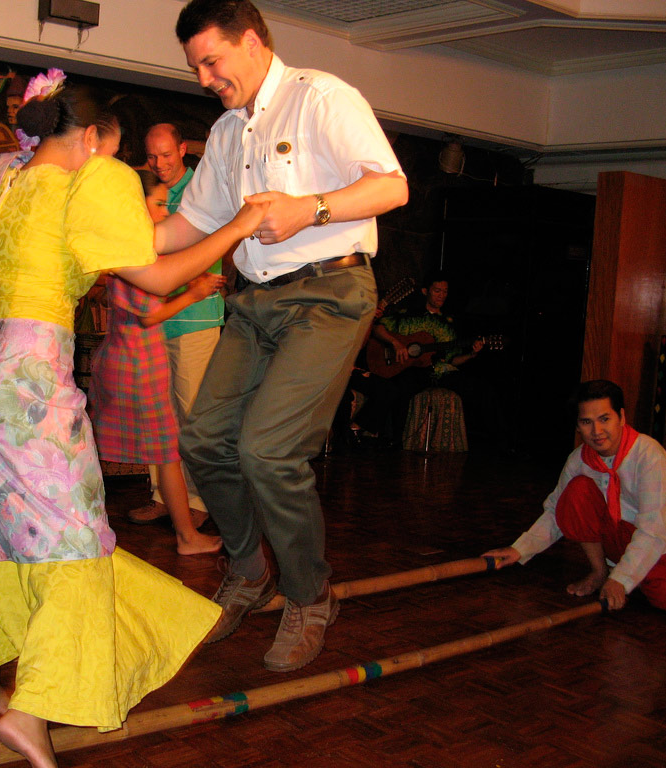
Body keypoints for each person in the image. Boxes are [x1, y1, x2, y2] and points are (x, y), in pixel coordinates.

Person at [0, 71, 266, 768]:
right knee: (74, 544)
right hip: (28, 381)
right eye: (116, 147)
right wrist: (241, 226)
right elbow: (155, 276)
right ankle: (32, 710)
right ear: (95, 138)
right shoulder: (94, 177)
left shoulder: (1, 179)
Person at [154, 0, 409, 672]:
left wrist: (310, 209)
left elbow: (392, 188)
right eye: (195, 67)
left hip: (329, 294)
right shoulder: (226, 133)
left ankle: (309, 594)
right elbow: (188, 226)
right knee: (201, 438)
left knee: (267, 451)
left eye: (211, 61)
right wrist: (109, 238)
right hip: (255, 302)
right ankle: (248, 571)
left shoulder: (320, 97)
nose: (204, 78)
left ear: (252, 41)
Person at [89, 169, 223, 555]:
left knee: (152, 450)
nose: (166, 212)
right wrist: (194, 293)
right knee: (166, 451)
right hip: (136, 362)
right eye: (160, 203)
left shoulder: (130, 246)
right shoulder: (132, 248)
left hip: (134, 358)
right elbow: (148, 316)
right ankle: (187, 536)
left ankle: (179, 534)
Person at [484, 380, 666, 613]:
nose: (596, 431)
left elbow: (654, 529)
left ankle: (627, 577)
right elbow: (555, 511)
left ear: (621, 417)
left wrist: (621, 579)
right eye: (586, 422)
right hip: (616, 541)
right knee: (577, 490)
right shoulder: (578, 459)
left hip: (661, 544)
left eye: (604, 419)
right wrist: (519, 549)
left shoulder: (650, 456)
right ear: (578, 426)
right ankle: (601, 572)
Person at [128, 123, 225, 527]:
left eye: (167, 155)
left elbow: (206, 246)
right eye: (152, 156)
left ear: (183, 149)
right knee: (158, 414)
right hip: (154, 319)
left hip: (194, 318)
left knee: (191, 415)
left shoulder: (202, 189)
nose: (159, 163)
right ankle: (164, 496)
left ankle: (199, 500)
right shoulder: (145, 190)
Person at [357, 272, 483, 445]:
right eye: (437, 291)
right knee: (401, 385)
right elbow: (378, 328)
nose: (441, 295)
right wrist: (396, 343)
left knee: (477, 389)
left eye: (445, 291)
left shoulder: (450, 323)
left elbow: (452, 360)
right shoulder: (409, 314)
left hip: (439, 372)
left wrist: (471, 354)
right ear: (425, 291)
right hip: (413, 369)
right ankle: (394, 440)